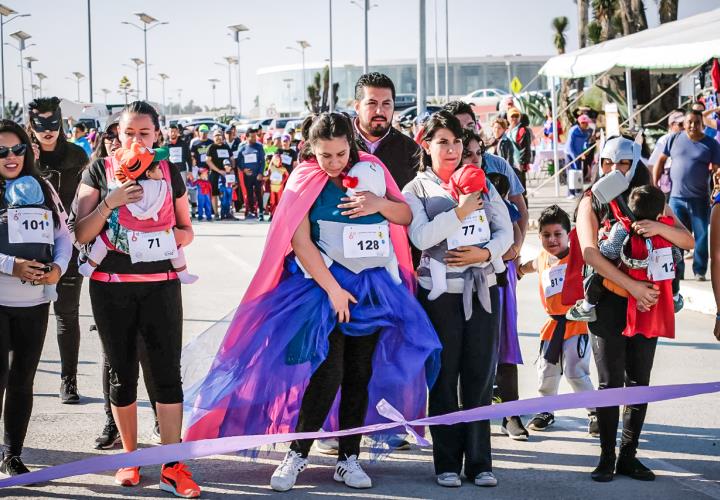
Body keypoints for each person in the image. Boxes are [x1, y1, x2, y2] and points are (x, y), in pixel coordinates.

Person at [182, 112, 440, 494]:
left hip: (372, 289)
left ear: (351, 146)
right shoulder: (304, 178)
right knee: (327, 372)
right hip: (322, 290)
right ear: (311, 150)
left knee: (359, 374)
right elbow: (300, 241)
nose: (334, 163)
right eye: (325, 155)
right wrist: (334, 290)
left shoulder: (372, 168)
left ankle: (348, 458)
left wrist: (377, 204)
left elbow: (403, 214)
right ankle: (298, 453)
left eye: (340, 154)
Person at [72, 101, 200, 498]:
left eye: (145, 133)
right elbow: (80, 232)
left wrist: (159, 239)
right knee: (121, 373)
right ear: (117, 135)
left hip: (160, 284)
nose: (137, 140)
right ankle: (128, 456)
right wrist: (112, 202)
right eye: (129, 133)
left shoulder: (168, 171)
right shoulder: (99, 171)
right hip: (112, 286)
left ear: (157, 136)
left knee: (166, 374)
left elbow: (186, 231)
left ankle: (172, 463)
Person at [403, 110, 513, 488]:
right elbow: (421, 237)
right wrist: (461, 210)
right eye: (442, 142)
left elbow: (506, 233)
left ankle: (481, 462)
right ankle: (446, 462)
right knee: (445, 378)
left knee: (480, 377)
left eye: (456, 142)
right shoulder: (416, 189)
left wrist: (484, 255)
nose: (451, 150)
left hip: (483, 290)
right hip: (440, 297)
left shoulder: (481, 181)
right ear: (426, 145)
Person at [574, 136, 693, 483]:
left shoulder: (650, 198)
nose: (614, 171)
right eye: (608, 164)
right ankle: (607, 456)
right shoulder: (592, 201)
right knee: (611, 383)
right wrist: (631, 287)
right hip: (610, 299)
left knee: (639, 380)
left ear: (635, 164)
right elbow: (591, 253)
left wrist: (658, 226)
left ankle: (629, 455)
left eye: (622, 164)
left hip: (647, 303)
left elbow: (686, 240)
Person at [0, 120, 72, 475]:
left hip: (35, 303)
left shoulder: (44, 187)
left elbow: (64, 237)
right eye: (2, 152)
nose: (11, 157)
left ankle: (12, 454)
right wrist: (11, 264)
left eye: (17, 150)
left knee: (22, 380)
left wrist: (57, 268)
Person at [460, 129, 529, 439]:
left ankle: (510, 413)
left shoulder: (497, 171)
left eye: (478, 152)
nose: (474, 158)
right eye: (466, 152)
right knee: (464, 349)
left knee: (504, 340)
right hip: (458, 276)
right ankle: (466, 419)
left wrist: (513, 249)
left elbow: (517, 213)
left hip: (498, 269)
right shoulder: (440, 183)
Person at [27, 97, 89, 404]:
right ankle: (20, 381)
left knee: (66, 315)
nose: (48, 130)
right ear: (31, 125)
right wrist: (32, 164)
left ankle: (69, 380)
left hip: (68, 246)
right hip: (28, 247)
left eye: (53, 123)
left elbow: (87, 199)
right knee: (28, 318)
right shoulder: (21, 156)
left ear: (62, 122)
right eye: (41, 124)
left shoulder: (77, 155)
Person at [517, 205, 598, 436]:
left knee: (575, 371)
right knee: (547, 370)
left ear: (568, 234)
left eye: (557, 234)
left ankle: (595, 412)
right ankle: (546, 410)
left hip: (576, 323)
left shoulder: (579, 258)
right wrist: (518, 270)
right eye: (546, 235)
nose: (552, 240)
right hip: (552, 326)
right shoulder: (543, 258)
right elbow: (531, 266)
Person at [77, 143, 198, 285]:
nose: (161, 171)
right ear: (149, 173)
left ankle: (90, 266)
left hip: (125, 241)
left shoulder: (122, 188)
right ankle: (183, 273)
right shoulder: (163, 186)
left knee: (103, 241)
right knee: (175, 248)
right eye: (158, 168)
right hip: (161, 237)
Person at [567, 185, 683, 323]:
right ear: (659, 214)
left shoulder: (623, 227)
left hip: (626, 275)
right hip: (654, 277)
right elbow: (676, 254)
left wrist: (602, 239)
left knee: (597, 275)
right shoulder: (665, 230)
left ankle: (587, 307)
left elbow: (609, 251)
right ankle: (674, 296)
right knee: (674, 270)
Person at [654, 109, 720, 282]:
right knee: (676, 236)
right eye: (689, 122)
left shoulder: (711, 144)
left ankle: (700, 270)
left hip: (700, 199)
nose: (693, 126)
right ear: (684, 123)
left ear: (702, 124)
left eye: (697, 122)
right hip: (676, 198)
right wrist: (655, 185)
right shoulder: (674, 139)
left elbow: (716, 170)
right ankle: (678, 272)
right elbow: (660, 161)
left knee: (702, 236)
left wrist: (716, 190)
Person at [353, 72, 421, 190]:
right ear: (357, 107)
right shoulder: (337, 141)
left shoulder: (410, 151)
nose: (379, 111)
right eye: (372, 103)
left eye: (386, 104)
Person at [648, 110, 685, 199]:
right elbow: (652, 164)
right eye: (680, 124)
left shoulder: (690, 138)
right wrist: (654, 186)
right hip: (669, 184)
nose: (684, 127)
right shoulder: (665, 140)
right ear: (671, 125)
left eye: (685, 123)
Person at [237, 125, 265, 219]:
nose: (254, 138)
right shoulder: (242, 148)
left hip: (257, 175)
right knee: (249, 194)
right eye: (252, 137)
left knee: (258, 194)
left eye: (255, 136)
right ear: (247, 136)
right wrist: (243, 169)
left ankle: (261, 211)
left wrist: (260, 173)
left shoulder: (259, 146)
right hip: (247, 176)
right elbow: (238, 161)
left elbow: (263, 161)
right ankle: (252, 212)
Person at [206, 128, 233, 216]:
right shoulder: (211, 147)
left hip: (226, 174)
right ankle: (216, 213)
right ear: (213, 137)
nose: (218, 137)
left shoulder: (226, 146)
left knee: (226, 192)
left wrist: (231, 169)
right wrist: (218, 170)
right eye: (216, 136)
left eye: (219, 135)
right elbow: (208, 161)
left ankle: (226, 212)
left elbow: (232, 159)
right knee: (214, 194)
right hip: (214, 173)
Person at [566, 114, 593, 198]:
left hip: (579, 155)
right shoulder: (573, 130)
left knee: (578, 172)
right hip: (570, 154)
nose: (586, 124)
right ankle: (571, 193)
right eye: (584, 123)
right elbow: (569, 145)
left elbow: (585, 142)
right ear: (580, 123)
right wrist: (574, 157)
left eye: (586, 123)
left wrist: (586, 150)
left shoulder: (587, 131)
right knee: (571, 173)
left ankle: (578, 190)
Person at [506, 108, 532, 191]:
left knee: (521, 190)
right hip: (509, 163)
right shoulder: (507, 130)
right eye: (512, 116)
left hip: (518, 164)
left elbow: (526, 148)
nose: (514, 118)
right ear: (508, 118)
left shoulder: (522, 130)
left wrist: (522, 163)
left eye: (516, 116)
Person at [266, 153, 289, 218]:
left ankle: (279, 215)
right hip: (272, 187)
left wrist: (283, 182)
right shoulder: (271, 168)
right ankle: (272, 214)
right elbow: (268, 175)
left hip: (279, 187)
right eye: (274, 160)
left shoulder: (283, 169)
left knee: (279, 201)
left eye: (277, 160)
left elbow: (287, 176)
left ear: (280, 161)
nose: (276, 161)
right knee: (272, 201)